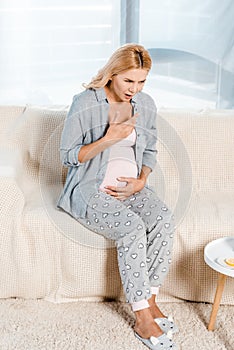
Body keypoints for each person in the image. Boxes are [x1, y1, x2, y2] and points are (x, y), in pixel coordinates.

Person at [57, 44, 178, 350]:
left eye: (141, 82)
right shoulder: (85, 103)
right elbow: (69, 156)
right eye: (128, 81)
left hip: (131, 189)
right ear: (112, 75)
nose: (134, 89)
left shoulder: (145, 104)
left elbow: (149, 150)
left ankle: (150, 299)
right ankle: (142, 317)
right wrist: (109, 138)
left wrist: (141, 181)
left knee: (163, 218)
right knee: (132, 228)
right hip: (90, 190)